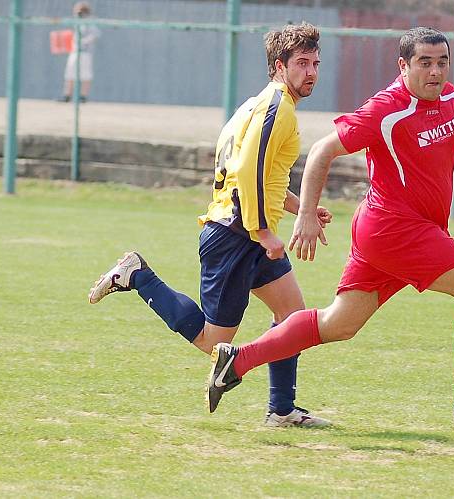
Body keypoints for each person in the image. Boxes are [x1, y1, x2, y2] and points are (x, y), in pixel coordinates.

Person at [206, 27, 454, 431]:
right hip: (395, 229)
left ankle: (239, 359)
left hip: (397, 232)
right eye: (424, 63)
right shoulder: (386, 108)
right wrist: (304, 214)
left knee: (339, 324)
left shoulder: (449, 96)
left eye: (442, 62)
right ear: (403, 66)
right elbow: (324, 150)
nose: (435, 72)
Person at [89, 22, 333, 428]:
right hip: (236, 237)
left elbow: (263, 177)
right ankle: (137, 276)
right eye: (302, 63)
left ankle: (282, 410)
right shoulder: (276, 109)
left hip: (246, 230)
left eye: (316, 63)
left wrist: (300, 207)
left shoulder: (262, 104)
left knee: (292, 315)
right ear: (279, 65)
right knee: (215, 341)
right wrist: (264, 234)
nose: (311, 72)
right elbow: (249, 170)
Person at [59, 1, 101, 103]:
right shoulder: (77, 22)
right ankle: (67, 96)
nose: (76, 12)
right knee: (70, 73)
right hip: (74, 51)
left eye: (79, 10)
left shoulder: (89, 22)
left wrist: (83, 42)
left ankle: (83, 97)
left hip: (85, 52)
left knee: (86, 74)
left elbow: (96, 34)